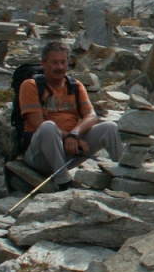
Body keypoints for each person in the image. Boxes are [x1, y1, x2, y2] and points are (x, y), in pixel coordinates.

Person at [20, 41, 124, 190]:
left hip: (70, 149)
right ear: (43, 63)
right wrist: (70, 137)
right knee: (48, 127)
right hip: (40, 155)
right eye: (54, 62)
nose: (60, 67)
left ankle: (124, 176)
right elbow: (36, 123)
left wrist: (74, 135)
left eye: (63, 62)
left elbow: (91, 116)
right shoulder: (30, 85)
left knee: (109, 127)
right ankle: (63, 182)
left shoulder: (75, 86)